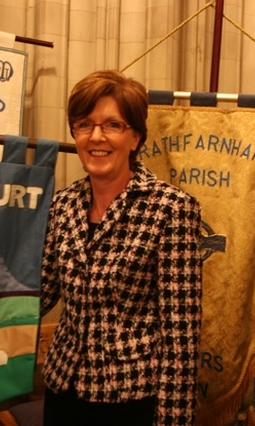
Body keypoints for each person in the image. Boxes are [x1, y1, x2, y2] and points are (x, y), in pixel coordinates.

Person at [39, 70, 203, 426]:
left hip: (129, 399)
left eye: (112, 125)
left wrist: (173, 420)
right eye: (84, 125)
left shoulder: (171, 209)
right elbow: (40, 293)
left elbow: (180, 335)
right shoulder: (63, 204)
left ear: (136, 137)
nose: (96, 137)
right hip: (63, 389)